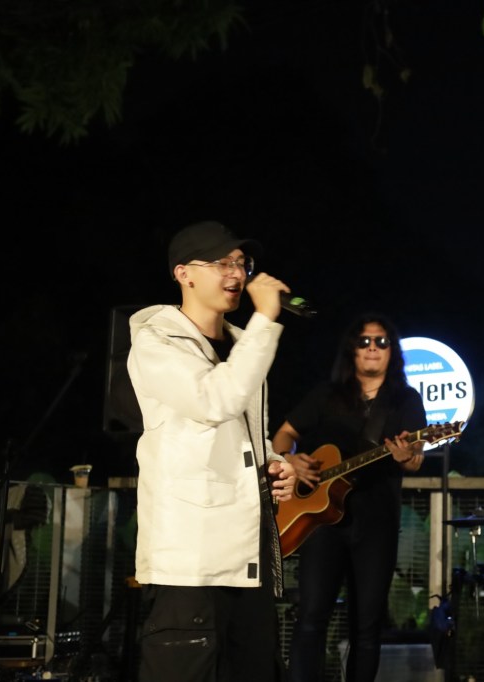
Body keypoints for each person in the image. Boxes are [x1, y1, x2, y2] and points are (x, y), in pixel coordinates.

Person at [127, 220, 297, 682]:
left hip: (247, 556)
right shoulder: (156, 341)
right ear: (183, 273)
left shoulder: (243, 343)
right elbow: (213, 402)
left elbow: (247, 434)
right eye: (222, 262)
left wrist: (273, 463)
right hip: (190, 559)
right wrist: (266, 320)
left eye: (242, 263)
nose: (237, 273)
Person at [272, 313, 427, 682]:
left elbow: (415, 458)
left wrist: (406, 455)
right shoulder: (327, 395)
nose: (373, 348)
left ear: (392, 352)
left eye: (382, 342)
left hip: (377, 524)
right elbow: (283, 435)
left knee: (367, 626)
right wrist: (291, 458)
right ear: (352, 350)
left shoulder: (405, 399)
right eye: (364, 341)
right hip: (321, 525)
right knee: (311, 616)